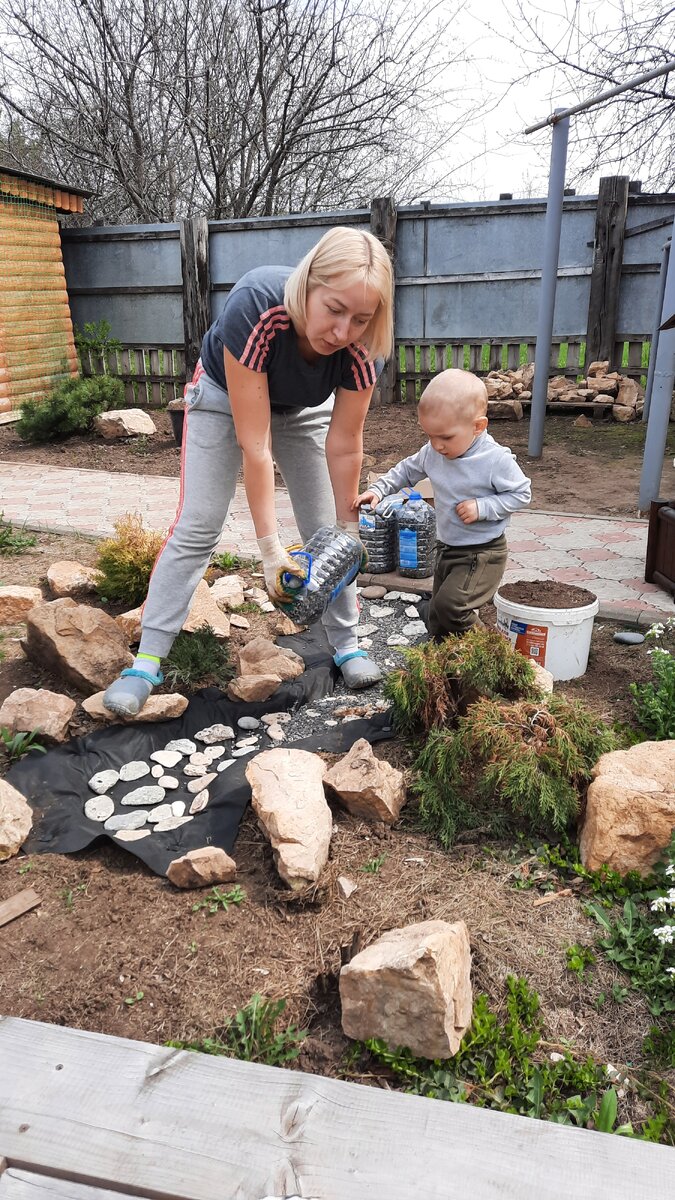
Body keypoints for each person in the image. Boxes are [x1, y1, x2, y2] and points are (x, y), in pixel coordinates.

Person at [103, 227, 394, 717]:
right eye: (334, 310)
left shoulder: (367, 346)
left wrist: (347, 532)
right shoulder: (258, 306)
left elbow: (345, 445)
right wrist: (270, 550)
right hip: (222, 398)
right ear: (307, 285)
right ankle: (147, 661)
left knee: (328, 531)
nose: (343, 332)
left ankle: (347, 642)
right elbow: (254, 445)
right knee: (199, 524)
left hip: (300, 410)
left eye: (360, 319)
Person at [355, 368, 531, 639]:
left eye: (445, 437)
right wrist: (379, 489)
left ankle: (490, 652)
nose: (436, 445)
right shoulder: (433, 452)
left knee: (453, 607)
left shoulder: (495, 460)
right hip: (446, 548)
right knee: (438, 615)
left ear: (478, 426)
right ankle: (445, 667)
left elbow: (521, 494)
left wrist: (482, 507)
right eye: (430, 436)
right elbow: (405, 471)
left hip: (482, 552)